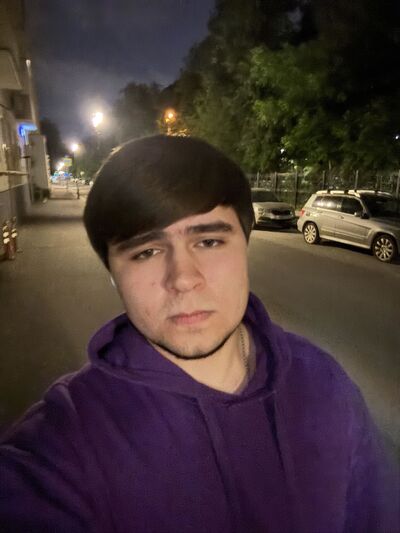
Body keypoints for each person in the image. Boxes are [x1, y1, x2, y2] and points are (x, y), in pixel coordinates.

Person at [0, 135, 397, 532]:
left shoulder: (323, 384)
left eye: (208, 241)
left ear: (245, 244)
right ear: (112, 273)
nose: (183, 279)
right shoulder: (64, 442)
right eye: (146, 252)